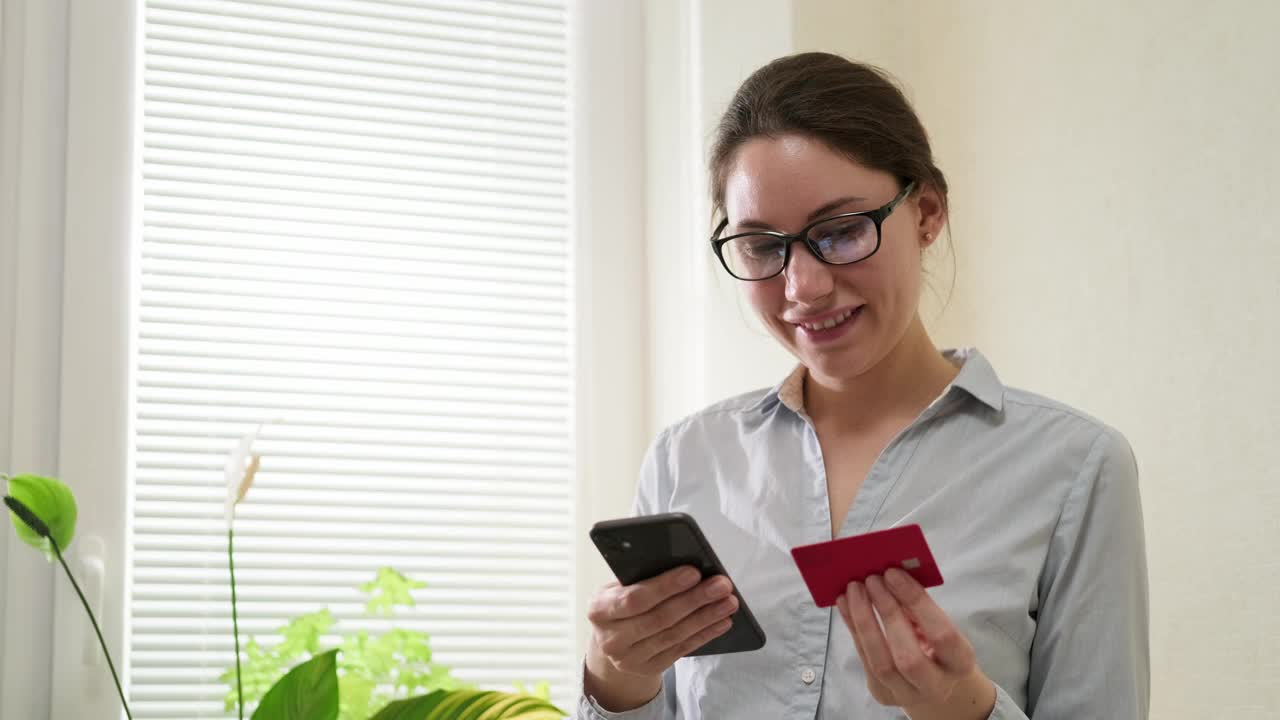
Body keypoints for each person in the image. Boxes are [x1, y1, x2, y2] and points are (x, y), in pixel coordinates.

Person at [575, 52, 1149, 719]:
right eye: (762, 245)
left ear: (927, 213)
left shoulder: (1076, 468)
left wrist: (965, 707)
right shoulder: (686, 459)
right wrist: (614, 682)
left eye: (842, 232)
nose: (803, 287)